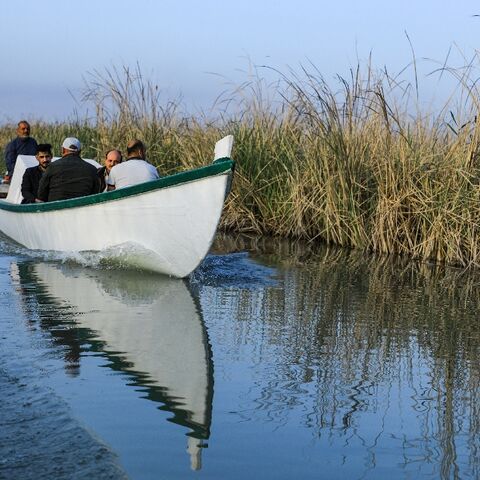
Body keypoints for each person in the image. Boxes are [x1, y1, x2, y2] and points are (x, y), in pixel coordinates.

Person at [37, 137, 100, 202]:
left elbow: (41, 194)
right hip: (82, 208)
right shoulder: (92, 169)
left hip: (56, 208)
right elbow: (95, 194)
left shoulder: (52, 167)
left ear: (63, 150)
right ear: (80, 152)